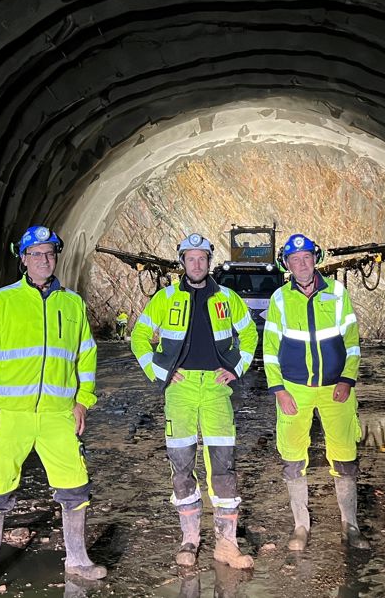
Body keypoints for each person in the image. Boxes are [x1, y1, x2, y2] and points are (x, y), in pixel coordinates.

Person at [0, 225, 106, 592]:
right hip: (9, 415)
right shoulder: (2, 302)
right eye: (36, 254)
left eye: (50, 253)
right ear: (23, 259)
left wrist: (82, 401)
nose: (44, 260)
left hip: (59, 414)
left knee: (75, 487)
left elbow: (86, 356)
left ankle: (77, 560)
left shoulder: (72, 304)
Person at [130, 233, 258, 569]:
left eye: (202, 258)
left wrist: (236, 367)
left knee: (223, 464)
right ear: (182, 262)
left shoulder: (227, 298)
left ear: (209, 262)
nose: (197, 264)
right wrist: (160, 373)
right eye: (191, 258)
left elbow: (249, 334)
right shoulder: (165, 298)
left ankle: (226, 545)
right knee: (182, 464)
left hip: (217, 390)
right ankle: (190, 539)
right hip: (180, 390)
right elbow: (140, 336)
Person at [263, 233, 370, 551]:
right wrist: (279, 390)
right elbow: (270, 350)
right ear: (288, 264)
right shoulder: (280, 299)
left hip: (335, 388)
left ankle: (350, 525)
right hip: (295, 390)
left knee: (345, 457)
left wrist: (347, 380)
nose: (301, 264)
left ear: (316, 259)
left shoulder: (337, 294)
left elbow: (352, 342)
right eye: (295, 260)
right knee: (293, 458)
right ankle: (300, 527)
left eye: (306, 258)